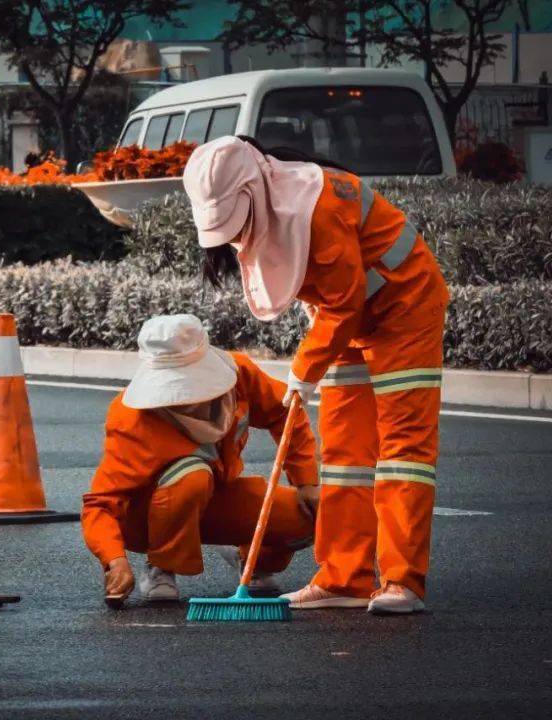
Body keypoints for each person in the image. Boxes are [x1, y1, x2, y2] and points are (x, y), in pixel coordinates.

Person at [183, 136, 449, 615]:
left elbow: (343, 301)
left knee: (402, 448)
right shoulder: (268, 199)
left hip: (405, 308)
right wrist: (310, 363)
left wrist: (304, 370)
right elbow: (334, 302)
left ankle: (402, 581)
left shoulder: (319, 204)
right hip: (347, 320)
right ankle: (344, 579)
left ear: (251, 190)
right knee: (346, 452)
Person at [81, 314, 319, 603]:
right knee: (191, 475)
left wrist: (307, 481)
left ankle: (252, 564)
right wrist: (114, 560)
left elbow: (286, 411)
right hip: (149, 514)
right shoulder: (131, 418)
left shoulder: (239, 374)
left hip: (217, 495)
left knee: (307, 517)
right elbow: (101, 505)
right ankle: (162, 565)